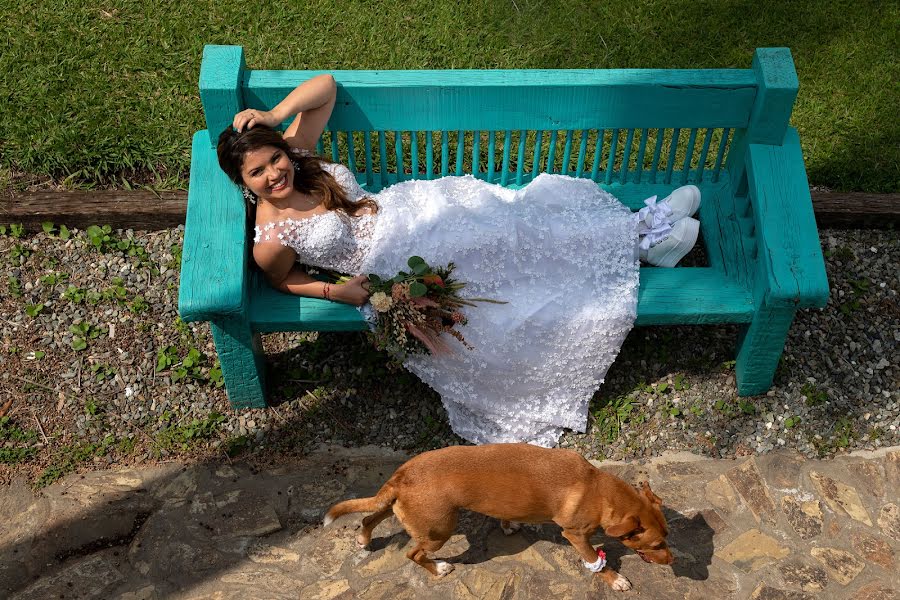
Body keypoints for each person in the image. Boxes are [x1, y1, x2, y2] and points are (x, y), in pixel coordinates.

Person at [216, 76, 701, 447]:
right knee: (496, 250)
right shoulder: (271, 237)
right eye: (257, 172)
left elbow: (325, 86)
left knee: (507, 222)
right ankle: (640, 239)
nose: (274, 174)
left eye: (274, 160)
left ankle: (637, 230)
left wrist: (274, 114)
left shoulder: (300, 158)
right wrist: (335, 291)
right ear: (243, 181)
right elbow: (283, 281)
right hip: (390, 261)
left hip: (410, 211)